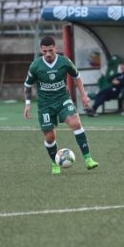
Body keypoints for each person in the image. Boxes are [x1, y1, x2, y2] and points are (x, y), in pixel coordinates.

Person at [23, 36, 99, 174]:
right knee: (50, 137)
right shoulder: (36, 65)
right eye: (44, 51)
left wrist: (83, 94)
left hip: (63, 99)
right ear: (41, 50)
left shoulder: (65, 62)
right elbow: (27, 85)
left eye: (50, 51)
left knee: (76, 123)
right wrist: (28, 104)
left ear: (55, 48)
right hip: (45, 104)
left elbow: (76, 76)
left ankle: (88, 159)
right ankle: (54, 162)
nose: (48, 54)